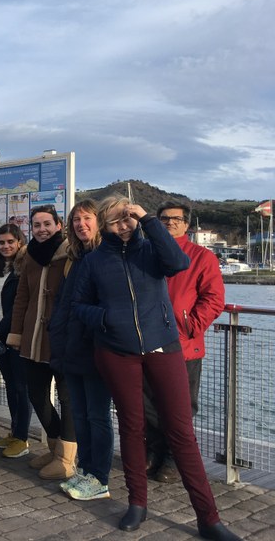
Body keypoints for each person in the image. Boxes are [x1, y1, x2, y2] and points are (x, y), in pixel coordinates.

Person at [73, 197, 240, 540]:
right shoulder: (93, 261)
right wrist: (106, 318)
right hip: (117, 352)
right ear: (104, 224)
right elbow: (79, 304)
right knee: (132, 427)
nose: (124, 225)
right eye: (116, 220)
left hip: (164, 347)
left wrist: (147, 219)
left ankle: (208, 518)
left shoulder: (151, 250)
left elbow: (178, 262)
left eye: (128, 218)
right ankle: (137, 503)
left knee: (182, 432)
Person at [145, 200, 226, 483]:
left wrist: (190, 325)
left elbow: (214, 298)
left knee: (180, 406)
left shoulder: (202, 257)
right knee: (148, 401)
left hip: (184, 344)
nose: (170, 223)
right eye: (164, 218)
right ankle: (154, 449)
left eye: (176, 219)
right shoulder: (147, 252)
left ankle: (172, 458)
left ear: (186, 224)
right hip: (148, 341)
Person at [48, 200, 113, 500]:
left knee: (97, 416)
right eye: (76, 219)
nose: (81, 224)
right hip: (71, 348)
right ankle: (85, 471)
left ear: (99, 222)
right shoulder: (76, 257)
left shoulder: (105, 256)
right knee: (80, 414)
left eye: (87, 218)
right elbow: (65, 304)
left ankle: (100, 478)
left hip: (94, 350)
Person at [7, 204, 76, 480]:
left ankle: (66, 459)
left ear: (59, 225)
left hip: (62, 338)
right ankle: (54, 446)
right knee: (36, 393)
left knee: (67, 398)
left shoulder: (71, 253)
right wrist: (16, 332)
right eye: (37, 225)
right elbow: (22, 297)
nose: (42, 229)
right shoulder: (30, 257)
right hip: (33, 338)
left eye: (47, 224)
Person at [0, 223, 32, 459]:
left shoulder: (25, 268)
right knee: (10, 385)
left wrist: (1, 328)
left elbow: (21, 303)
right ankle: (14, 432)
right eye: (2, 242)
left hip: (16, 336)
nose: (6, 246)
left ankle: (22, 438)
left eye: (11, 241)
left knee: (22, 387)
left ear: (19, 242)